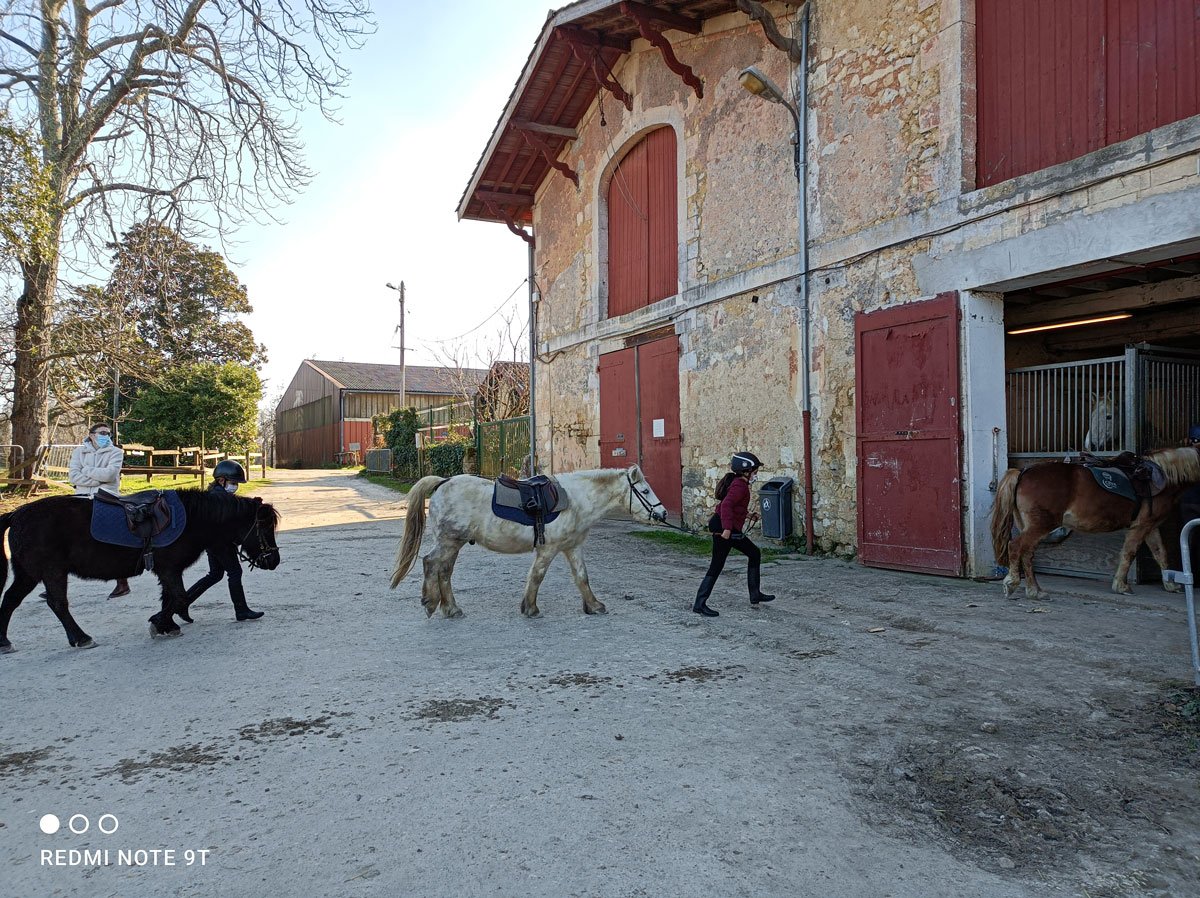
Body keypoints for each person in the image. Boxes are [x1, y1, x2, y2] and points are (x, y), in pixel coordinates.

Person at [177, 459, 264, 623]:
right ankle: (241, 610)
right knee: (235, 572)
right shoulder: (217, 496)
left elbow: (234, 504)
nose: (235, 486)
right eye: (233, 482)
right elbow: (231, 514)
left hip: (214, 543)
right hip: (220, 543)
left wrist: (252, 503)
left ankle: (182, 603)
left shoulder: (218, 493)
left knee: (215, 574)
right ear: (221, 480)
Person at [692, 451, 776, 617]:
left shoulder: (739, 483)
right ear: (746, 471)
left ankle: (755, 594)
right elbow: (726, 506)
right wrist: (728, 529)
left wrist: (748, 514)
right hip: (723, 528)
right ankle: (699, 604)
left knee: (753, 553)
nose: (756, 475)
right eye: (755, 472)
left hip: (726, 527)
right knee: (717, 565)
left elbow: (734, 507)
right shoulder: (740, 485)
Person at [69, 423, 131, 598]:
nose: (106, 436)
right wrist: (97, 479)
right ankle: (56, 580)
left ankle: (122, 581)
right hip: (81, 498)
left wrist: (87, 471)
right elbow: (73, 476)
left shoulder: (116, 453)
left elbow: (110, 475)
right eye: (102, 433)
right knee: (68, 539)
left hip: (107, 498)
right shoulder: (79, 452)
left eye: (108, 433)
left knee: (111, 539)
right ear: (91, 435)